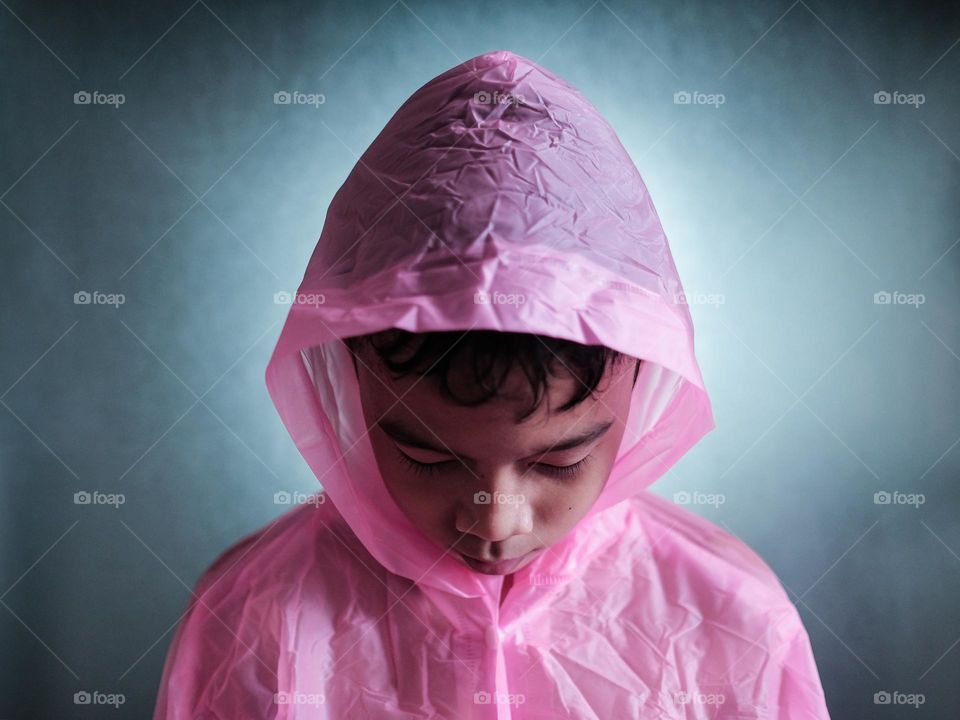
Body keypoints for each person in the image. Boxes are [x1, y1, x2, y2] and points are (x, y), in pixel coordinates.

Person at [153, 50, 831, 719]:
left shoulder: (731, 620)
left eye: (559, 460)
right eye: (427, 457)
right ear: (349, 383)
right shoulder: (254, 617)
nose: (493, 519)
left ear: (643, 386)